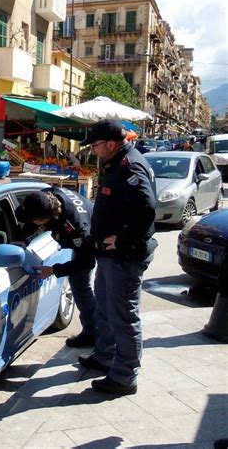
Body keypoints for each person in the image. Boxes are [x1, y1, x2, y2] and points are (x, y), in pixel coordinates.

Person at [78, 119, 157, 396]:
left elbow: (147, 209)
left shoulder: (130, 166)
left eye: (95, 145)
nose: (93, 150)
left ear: (111, 144)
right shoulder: (116, 162)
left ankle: (124, 376)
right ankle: (104, 356)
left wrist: (122, 239)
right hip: (109, 255)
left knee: (123, 316)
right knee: (105, 308)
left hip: (125, 256)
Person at [16, 187, 97, 347]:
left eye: (33, 220)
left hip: (98, 240)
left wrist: (54, 270)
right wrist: (23, 240)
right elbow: (30, 224)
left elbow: (86, 262)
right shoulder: (45, 197)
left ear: (44, 219)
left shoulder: (76, 227)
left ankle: (93, 333)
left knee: (80, 284)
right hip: (75, 229)